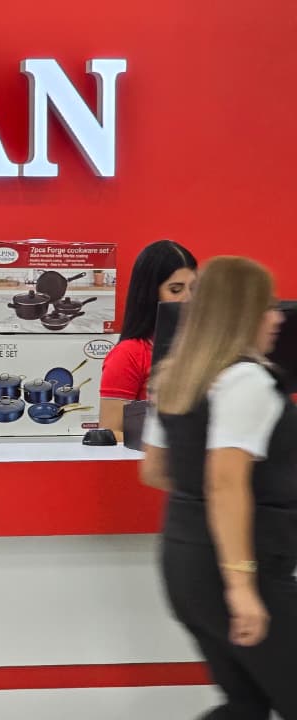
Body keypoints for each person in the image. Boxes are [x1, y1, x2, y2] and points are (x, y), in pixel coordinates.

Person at [141, 256, 296, 719]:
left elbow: (154, 470)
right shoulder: (247, 379)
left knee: (245, 705)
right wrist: (242, 586)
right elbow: (226, 483)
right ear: (242, 312)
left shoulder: (176, 377)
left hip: (184, 560)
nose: (277, 318)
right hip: (244, 568)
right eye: (268, 306)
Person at [99, 239, 197, 435]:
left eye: (194, 289)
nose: (189, 299)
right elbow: (111, 431)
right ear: (151, 294)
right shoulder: (129, 354)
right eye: (175, 290)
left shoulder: (202, 348)